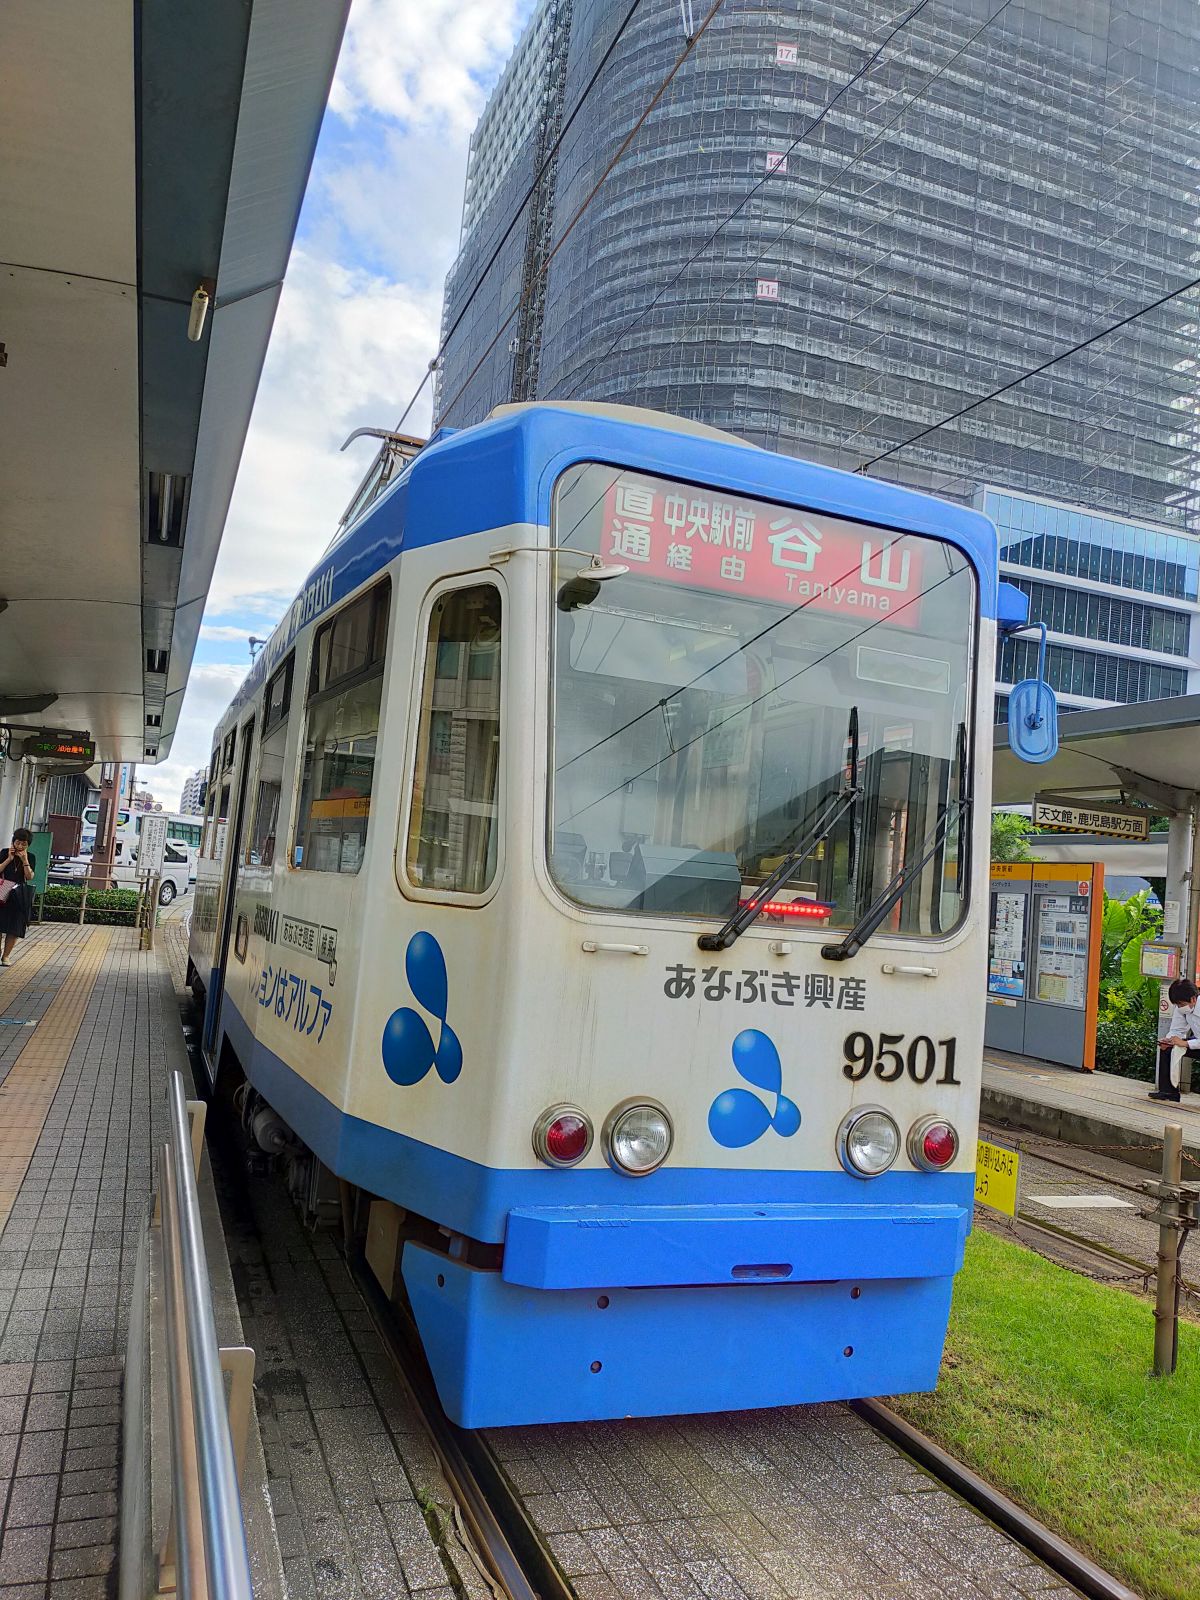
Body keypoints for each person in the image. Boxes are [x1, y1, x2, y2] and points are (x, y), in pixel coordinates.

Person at [1150, 976, 1200, 1103]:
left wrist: (1185, 1043)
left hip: (1196, 1042)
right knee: (1168, 1047)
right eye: (1177, 1004)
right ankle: (1168, 1091)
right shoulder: (1181, 1008)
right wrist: (1169, 1040)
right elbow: (1177, 1030)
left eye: (1181, 1004)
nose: (1179, 1007)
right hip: (1197, 1041)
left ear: (1193, 999)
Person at [0, 829, 35, 967]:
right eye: (18, 842)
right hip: (3, 889)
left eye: (24, 844)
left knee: (15, 927)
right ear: (13, 841)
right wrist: (9, 859)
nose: (20, 846)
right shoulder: (4, 852)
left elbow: (29, 876)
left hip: (19, 893)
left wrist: (25, 860)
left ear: (28, 845)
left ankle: (6, 956)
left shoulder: (30, 857)